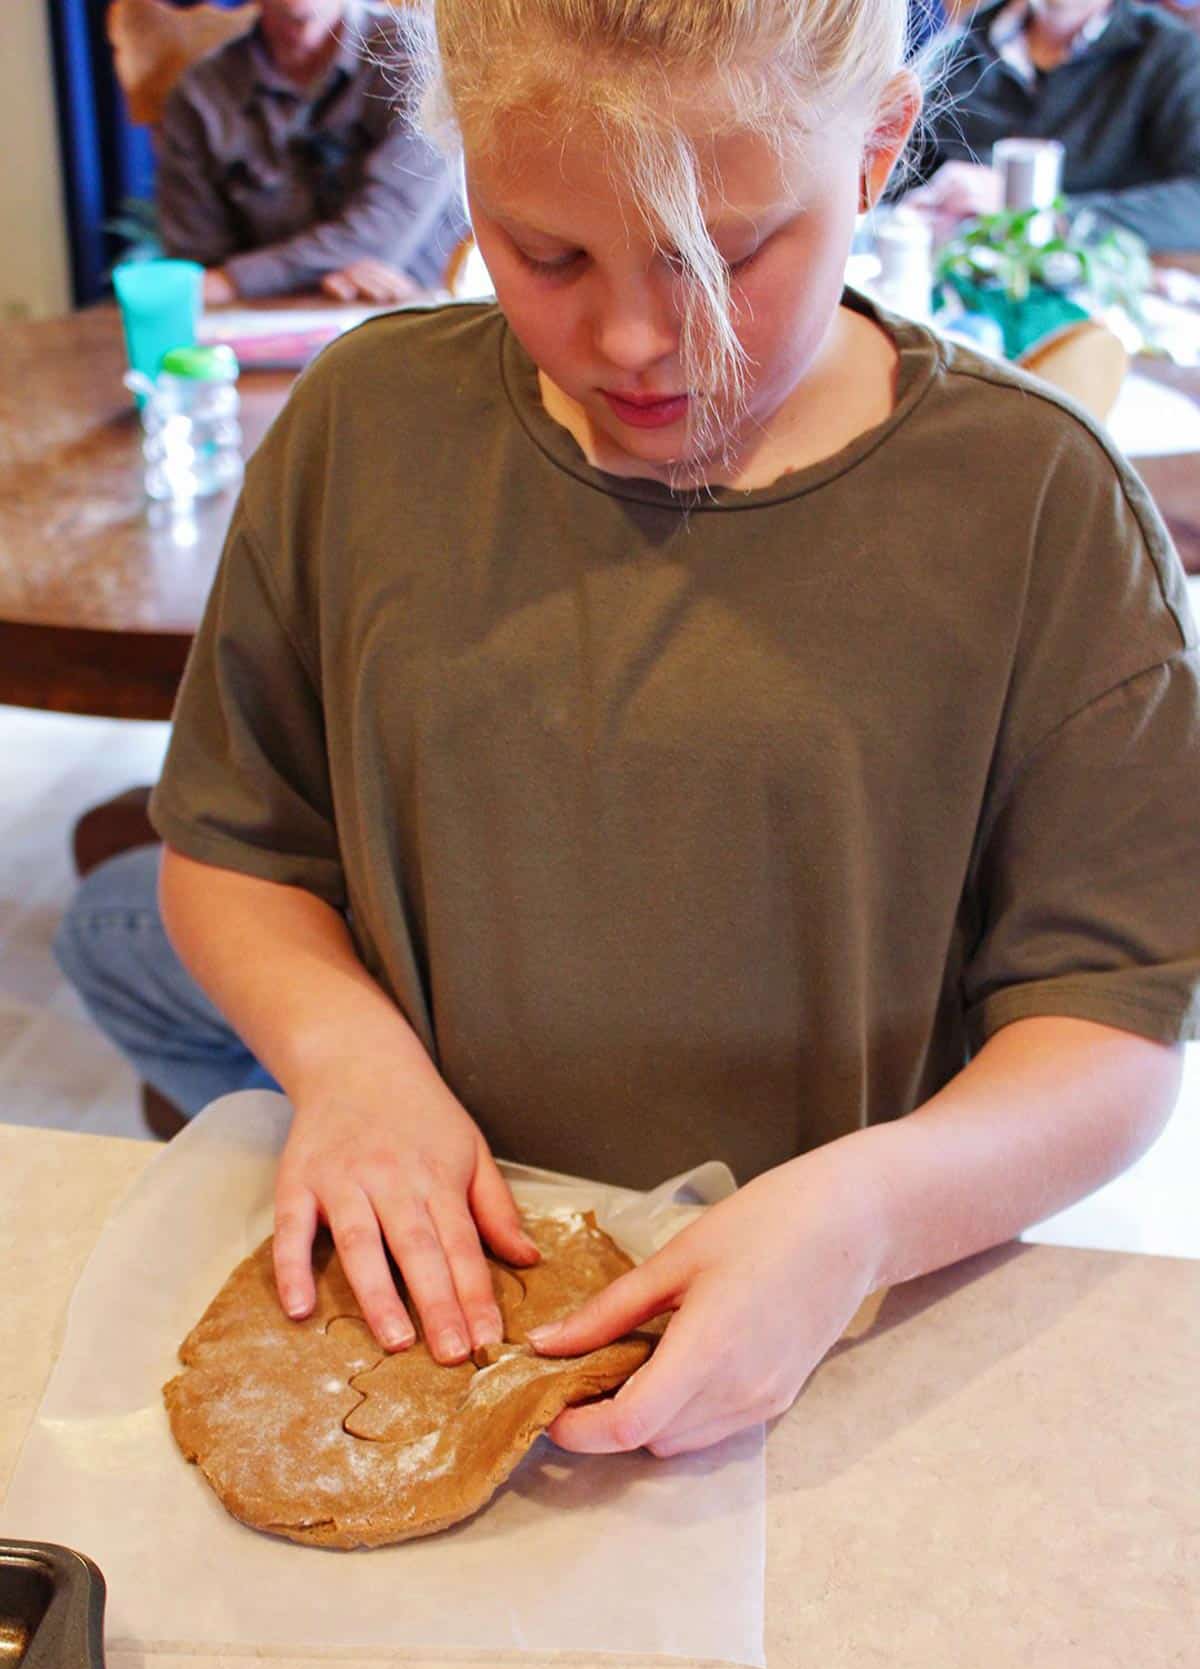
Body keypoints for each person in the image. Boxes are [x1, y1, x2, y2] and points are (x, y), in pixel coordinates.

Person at [57, 0, 1199, 1461]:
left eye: (728, 255)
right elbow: (236, 850)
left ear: (879, 148)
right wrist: (351, 1066)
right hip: (449, 1297)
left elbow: (1107, 1026)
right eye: (546, 254)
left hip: (850, 1319)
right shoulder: (365, 425)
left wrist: (861, 1218)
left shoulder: (1040, 506)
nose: (637, 340)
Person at [156, 0, 467, 306]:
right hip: (261, 329)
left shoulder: (414, 53)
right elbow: (200, 269)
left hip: (417, 311)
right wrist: (232, 283)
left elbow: (384, 228)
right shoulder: (199, 96)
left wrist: (235, 281)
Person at [903, 0, 1200, 251]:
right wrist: (920, 205)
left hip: (1095, 296)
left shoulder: (1167, 54)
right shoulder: (960, 45)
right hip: (949, 280)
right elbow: (898, 180)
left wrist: (1035, 215)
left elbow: (1193, 204)